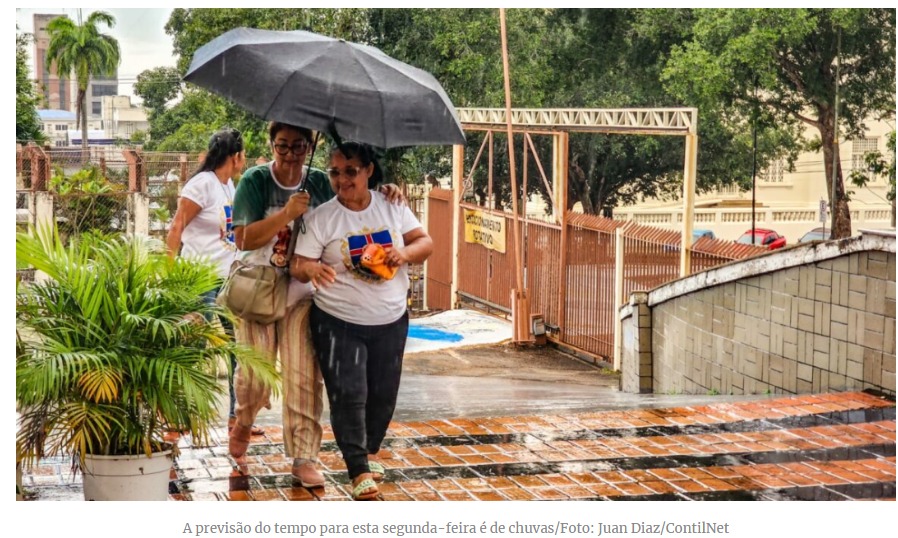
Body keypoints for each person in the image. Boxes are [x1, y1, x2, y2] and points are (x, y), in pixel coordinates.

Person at [229, 123, 404, 488]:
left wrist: (386, 192)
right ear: (271, 145)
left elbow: (352, 203)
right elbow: (243, 238)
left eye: (298, 146)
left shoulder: (324, 182)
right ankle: (243, 419)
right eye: (282, 146)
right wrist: (286, 215)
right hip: (258, 288)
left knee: (303, 377)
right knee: (256, 380)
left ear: (309, 147)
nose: (290, 153)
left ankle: (304, 456)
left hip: (302, 292)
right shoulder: (256, 181)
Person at [292, 142, 433, 500]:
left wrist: (402, 253)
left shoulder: (392, 204)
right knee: (349, 394)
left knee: (382, 395)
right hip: (338, 320)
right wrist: (312, 268)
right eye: (335, 172)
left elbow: (425, 242)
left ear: (369, 171)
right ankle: (357, 470)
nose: (342, 180)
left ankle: (369, 452)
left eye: (351, 171)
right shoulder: (321, 217)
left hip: (391, 319)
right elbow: (298, 265)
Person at [165, 128, 263, 435]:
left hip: (228, 281)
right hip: (200, 280)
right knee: (192, 348)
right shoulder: (202, 184)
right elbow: (176, 227)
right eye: (243, 155)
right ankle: (178, 414)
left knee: (238, 348)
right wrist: (170, 276)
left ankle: (238, 416)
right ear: (235, 157)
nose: (244, 160)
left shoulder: (229, 185)